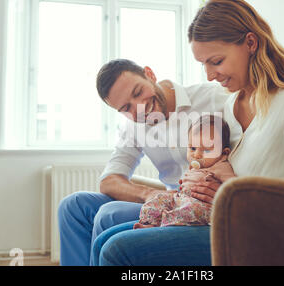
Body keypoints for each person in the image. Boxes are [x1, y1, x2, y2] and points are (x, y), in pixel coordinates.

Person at [92, 0, 284, 266]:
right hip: (219, 220)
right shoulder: (231, 104)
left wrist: (233, 200)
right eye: (203, 64)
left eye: (216, 61)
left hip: (260, 236)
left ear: (251, 43)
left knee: (116, 249)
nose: (210, 75)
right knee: (103, 241)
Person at [57, 58, 241, 265]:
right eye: (126, 107)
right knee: (73, 205)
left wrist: (226, 190)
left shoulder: (214, 98)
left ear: (150, 74)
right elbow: (109, 180)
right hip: (167, 200)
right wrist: (150, 194)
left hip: (198, 207)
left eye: (137, 92)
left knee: (108, 213)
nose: (140, 108)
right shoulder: (133, 126)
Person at [134, 115, 235, 229]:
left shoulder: (220, 165)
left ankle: (160, 224)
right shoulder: (195, 166)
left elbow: (235, 187)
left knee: (188, 210)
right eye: (192, 148)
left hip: (202, 208)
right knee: (159, 199)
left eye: (207, 149)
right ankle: (150, 222)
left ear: (224, 153)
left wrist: (222, 196)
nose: (196, 155)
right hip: (181, 201)